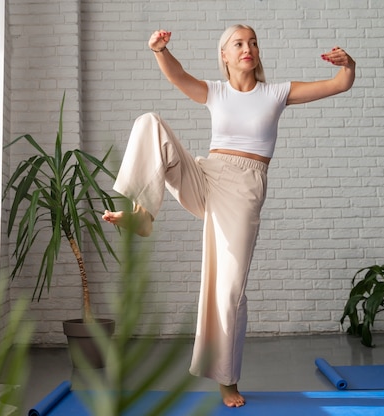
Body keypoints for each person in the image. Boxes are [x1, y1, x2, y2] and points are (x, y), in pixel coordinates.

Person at [102, 24, 355, 408]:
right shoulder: (215, 93)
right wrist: (159, 50)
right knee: (150, 122)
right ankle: (142, 213)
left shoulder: (275, 93)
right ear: (224, 54)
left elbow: (338, 84)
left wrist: (347, 66)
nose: (247, 48)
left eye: (252, 42)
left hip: (244, 190)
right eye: (238, 43)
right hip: (207, 176)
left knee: (229, 289)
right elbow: (178, 75)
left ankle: (227, 380)